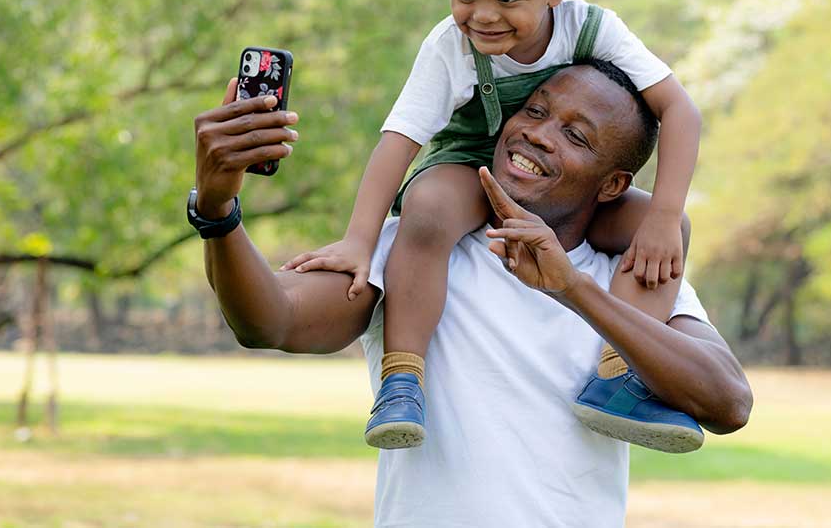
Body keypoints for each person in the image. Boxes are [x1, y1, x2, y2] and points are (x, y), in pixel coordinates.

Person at [192, 61, 752, 528]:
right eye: (535, 110)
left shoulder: (629, 277)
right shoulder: (420, 249)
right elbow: (271, 321)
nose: (538, 132)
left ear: (612, 185)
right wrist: (217, 211)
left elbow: (728, 402)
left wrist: (574, 289)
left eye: (575, 136)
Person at [281, 0, 704, 451]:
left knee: (666, 229)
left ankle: (621, 375)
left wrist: (662, 216)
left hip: (555, 177)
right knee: (427, 209)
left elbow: (679, 109)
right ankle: (402, 378)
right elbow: (399, 139)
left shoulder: (594, 29)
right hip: (471, 163)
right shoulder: (448, 48)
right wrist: (357, 238)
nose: (481, 16)